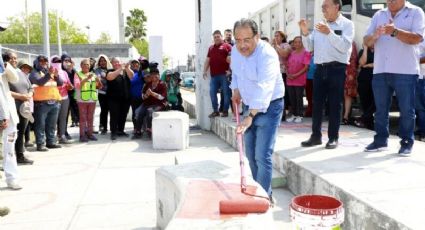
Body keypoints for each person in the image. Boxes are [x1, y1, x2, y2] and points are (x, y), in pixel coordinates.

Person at [231, 18, 284, 205]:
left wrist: (250, 117)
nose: (242, 45)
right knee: (250, 154)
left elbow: (265, 87)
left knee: (262, 155)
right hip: (248, 104)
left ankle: (263, 198)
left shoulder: (267, 54)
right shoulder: (236, 51)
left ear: (257, 36)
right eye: (237, 40)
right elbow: (236, 73)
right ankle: (260, 190)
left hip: (269, 105)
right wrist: (235, 89)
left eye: (246, 40)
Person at [363, 0, 424, 155]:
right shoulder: (379, 14)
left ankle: (406, 143)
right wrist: (375, 36)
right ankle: (380, 140)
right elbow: (366, 40)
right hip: (381, 69)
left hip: (406, 70)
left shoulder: (416, 12)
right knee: (380, 109)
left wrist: (395, 32)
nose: (389, 1)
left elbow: (417, 38)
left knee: (407, 110)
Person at [299, 0, 354, 149]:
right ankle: (316, 136)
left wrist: (329, 32)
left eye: (326, 6)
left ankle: (333, 137)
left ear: (337, 7)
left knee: (335, 104)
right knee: (316, 104)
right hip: (319, 69)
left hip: (337, 69)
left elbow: (344, 47)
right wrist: (305, 32)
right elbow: (310, 47)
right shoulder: (319, 25)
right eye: (322, 6)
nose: (323, 9)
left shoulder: (347, 25)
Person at [29, 55, 63, 151]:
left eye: (45, 62)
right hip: (41, 104)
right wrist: (50, 74)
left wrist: (56, 75)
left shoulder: (49, 72)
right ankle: (40, 144)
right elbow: (40, 82)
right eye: (41, 62)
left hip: (54, 102)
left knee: (51, 125)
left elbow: (60, 83)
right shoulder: (34, 73)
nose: (44, 63)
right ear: (36, 63)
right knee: (40, 125)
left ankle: (51, 142)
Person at [1, 51, 22, 189]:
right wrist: (3, 116)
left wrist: (6, 65)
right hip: (3, 116)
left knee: (9, 148)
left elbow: (15, 78)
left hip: (9, 117)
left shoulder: (3, 68)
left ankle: (11, 178)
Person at [9, 58, 34, 165]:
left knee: (21, 133)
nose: (14, 60)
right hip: (11, 108)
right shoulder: (5, 74)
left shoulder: (21, 73)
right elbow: (4, 91)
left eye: (15, 58)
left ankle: (20, 155)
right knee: (11, 134)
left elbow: (30, 87)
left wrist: (29, 95)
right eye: (11, 58)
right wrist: (20, 96)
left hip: (23, 109)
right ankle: (9, 157)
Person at [203, 30, 232, 118]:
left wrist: (230, 70)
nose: (216, 38)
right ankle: (215, 111)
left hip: (224, 75)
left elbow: (233, 59)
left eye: (218, 36)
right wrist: (204, 70)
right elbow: (208, 60)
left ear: (221, 37)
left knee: (226, 93)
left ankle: (225, 111)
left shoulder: (227, 46)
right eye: (215, 37)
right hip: (214, 76)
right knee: (212, 92)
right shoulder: (211, 48)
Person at [133, 67, 167, 139]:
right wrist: (146, 95)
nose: (154, 76)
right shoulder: (147, 84)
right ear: (150, 76)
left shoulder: (163, 84)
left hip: (159, 104)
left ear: (159, 75)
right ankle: (138, 131)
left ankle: (149, 129)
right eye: (152, 74)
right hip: (148, 103)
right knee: (140, 113)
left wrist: (152, 93)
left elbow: (162, 97)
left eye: (156, 74)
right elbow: (142, 96)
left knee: (149, 111)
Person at [74, 58, 102, 142]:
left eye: (88, 65)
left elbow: (99, 87)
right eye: (85, 64)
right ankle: (82, 135)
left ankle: (90, 134)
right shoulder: (77, 74)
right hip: (82, 99)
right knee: (83, 118)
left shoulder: (93, 75)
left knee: (90, 117)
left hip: (92, 99)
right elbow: (77, 85)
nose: (86, 66)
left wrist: (98, 81)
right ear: (81, 66)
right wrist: (86, 79)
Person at [106, 57, 134, 140]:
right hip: (113, 98)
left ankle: (121, 130)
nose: (116, 63)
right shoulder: (110, 71)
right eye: (114, 62)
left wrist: (127, 68)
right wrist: (120, 69)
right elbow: (109, 77)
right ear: (112, 63)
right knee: (114, 115)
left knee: (123, 115)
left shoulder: (125, 71)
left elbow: (131, 76)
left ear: (121, 62)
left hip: (125, 98)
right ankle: (113, 132)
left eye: (118, 62)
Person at [285, 36, 311, 123]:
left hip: (299, 79)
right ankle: (294, 114)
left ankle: (300, 115)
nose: (297, 44)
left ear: (302, 43)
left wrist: (295, 75)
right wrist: (288, 74)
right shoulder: (292, 53)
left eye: (299, 42)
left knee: (298, 98)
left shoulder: (306, 53)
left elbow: (306, 67)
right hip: (290, 79)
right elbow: (287, 65)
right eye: (295, 42)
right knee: (292, 98)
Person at [51, 56, 73, 145]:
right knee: (53, 119)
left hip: (65, 97)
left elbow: (69, 84)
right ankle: (52, 137)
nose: (58, 62)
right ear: (51, 61)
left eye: (59, 61)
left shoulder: (64, 72)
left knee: (63, 118)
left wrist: (70, 86)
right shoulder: (49, 72)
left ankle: (62, 135)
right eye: (55, 61)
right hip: (53, 98)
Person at [272, 31, 291, 121]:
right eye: (275, 36)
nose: (276, 37)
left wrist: (276, 46)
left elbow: (284, 54)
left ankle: (282, 114)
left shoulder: (286, 45)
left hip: (282, 72)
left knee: (282, 94)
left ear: (282, 37)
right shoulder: (272, 46)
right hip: (272, 73)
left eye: (278, 36)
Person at [355, 44, 375, 130]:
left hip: (375, 79)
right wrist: (366, 49)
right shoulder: (362, 52)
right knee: (365, 102)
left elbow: (379, 63)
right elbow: (361, 63)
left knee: (375, 102)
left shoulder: (380, 51)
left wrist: (367, 65)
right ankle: (369, 124)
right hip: (363, 79)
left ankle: (363, 118)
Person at [94, 54, 112, 135]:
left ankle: (113, 127)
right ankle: (103, 127)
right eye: (101, 61)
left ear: (107, 61)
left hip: (111, 93)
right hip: (102, 93)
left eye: (104, 60)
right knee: (104, 110)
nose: (103, 62)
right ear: (99, 62)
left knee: (112, 110)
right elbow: (98, 78)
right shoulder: (97, 70)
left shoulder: (111, 69)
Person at [342, 42, 358, 125]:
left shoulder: (351, 43)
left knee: (347, 94)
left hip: (349, 70)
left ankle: (345, 116)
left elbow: (353, 58)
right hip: (338, 69)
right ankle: (341, 115)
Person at [416, 40, 425, 141]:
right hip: (413, 76)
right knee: (416, 107)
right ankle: (420, 129)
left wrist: (413, 59)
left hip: (421, 77)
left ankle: (423, 133)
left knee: (421, 107)